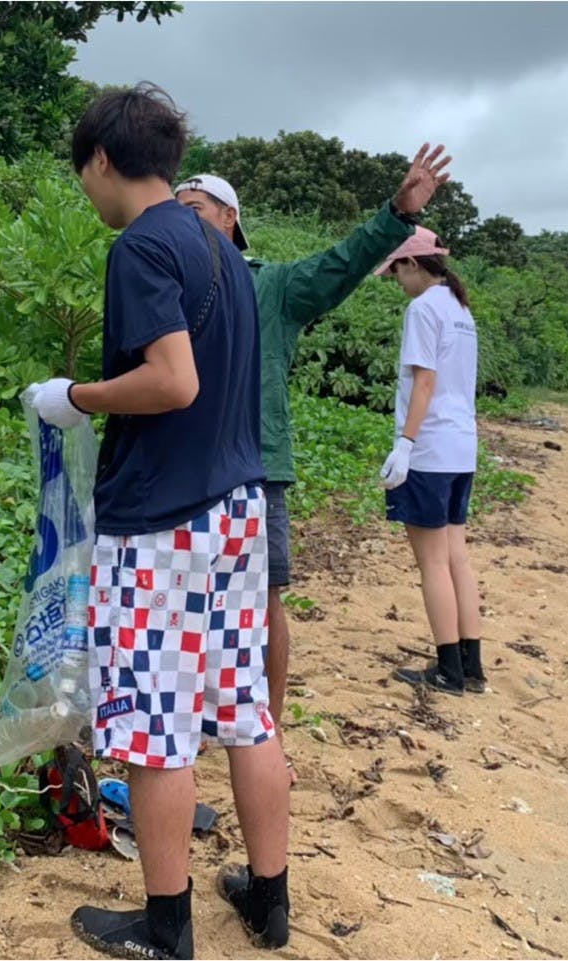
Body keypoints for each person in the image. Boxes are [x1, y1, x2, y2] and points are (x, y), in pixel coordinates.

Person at [27, 83, 289, 960]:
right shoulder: (222, 252)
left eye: (82, 172)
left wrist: (75, 396)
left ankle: (166, 924)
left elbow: (173, 380)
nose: (86, 189)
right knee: (245, 709)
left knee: (152, 722)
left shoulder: (142, 244)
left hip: (162, 523)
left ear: (102, 159)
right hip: (239, 508)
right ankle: (269, 897)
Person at [176, 146, 451, 758]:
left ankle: (267, 733)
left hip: (255, 467)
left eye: (194, 208)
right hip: (181, 470)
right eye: (175, 210)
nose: (181, 220)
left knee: (263, 599)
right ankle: (190, 722)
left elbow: (341, 263)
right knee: (184, 600)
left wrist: (397, 214)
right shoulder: (169, 287)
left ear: (229, 219)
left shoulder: (272, 287)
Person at [373, 229, 485, 696]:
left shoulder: (423, 309)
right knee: (456, 557)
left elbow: (424, 382)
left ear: (413, 263)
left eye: (397, 270)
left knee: (433, 563)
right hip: (462, 446)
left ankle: (447, 670)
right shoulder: (460, 308)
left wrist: (405, 443)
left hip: (431, 447)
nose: (397, 280)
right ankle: (471, 666)